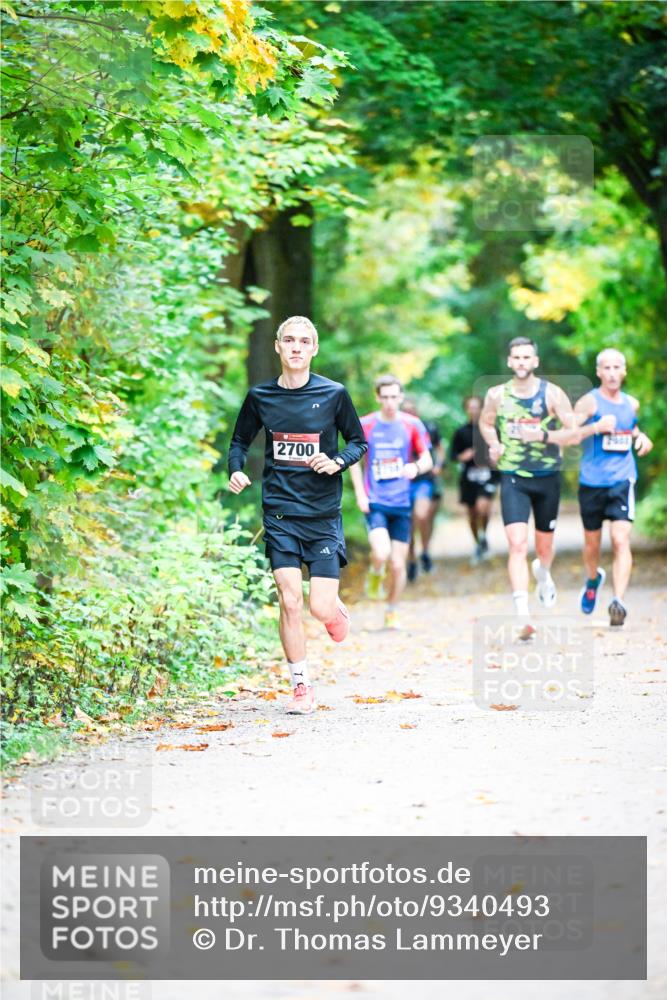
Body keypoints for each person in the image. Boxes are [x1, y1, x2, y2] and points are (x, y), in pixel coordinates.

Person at [227, 316, 367, 714]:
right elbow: (239, 441)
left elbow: (358, 442)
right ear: (277, 346)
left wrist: (337, 461)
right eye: (289, 340)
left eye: (304, 341)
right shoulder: (261, 396)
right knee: (289, 600)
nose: (296, 347)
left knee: (318, 607)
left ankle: (333, 609)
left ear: (314, 348)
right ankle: (301, 685)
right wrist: (236, 469)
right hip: (280, 513)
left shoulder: (334, 393)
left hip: (322, 514)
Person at [479, 338, 581, 640]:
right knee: (517, 544)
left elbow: (574, 433)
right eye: (517, 357)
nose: (522, 362)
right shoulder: (497, 394)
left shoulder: (552, 394)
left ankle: (543, 574)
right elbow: (486, 423)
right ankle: (522, 615)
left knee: (544, 548)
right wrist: (494, 444)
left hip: (547, 477)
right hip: (513, 477)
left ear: (535, 361)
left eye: (527, 357)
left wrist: (543, 435)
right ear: (509, 362)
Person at [574, 348, 653, 627]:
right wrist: (595, 428)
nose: (611, 373)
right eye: (606, 368)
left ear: (624, 371)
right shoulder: (588, 402)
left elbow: (631, 428)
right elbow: (569, 434)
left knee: (620, 540)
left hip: (622, 479)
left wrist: (641, 437)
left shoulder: (632, 404)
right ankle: (592, 579)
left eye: (616, 367)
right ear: (598, 372)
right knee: (592, 544)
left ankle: (618, 601)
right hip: (592, 481)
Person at [350, 375, 433, 629]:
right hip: (375, 500)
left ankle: (392, 609)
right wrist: (360, 494)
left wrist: (415, 468)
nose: (389, 402)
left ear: (401, 397)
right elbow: (353, 461)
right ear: (378, 397)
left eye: (394, 397)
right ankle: (376, 572)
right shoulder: (366, 424)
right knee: (381, 552)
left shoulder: (412, 424)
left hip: (401, 502)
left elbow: (427, 459)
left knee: (398, 564)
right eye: (384, 397)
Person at [450, 395, 500, 565]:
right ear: (466, 410)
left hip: (488, 476)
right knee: (472, 513)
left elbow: (501, 450)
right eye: (470, 407)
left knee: (483, 507)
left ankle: (483, 535)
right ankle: (478, 543)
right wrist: (463, 456)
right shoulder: (460, 432)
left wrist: (495, 457)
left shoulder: (491, 430)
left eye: (476, 407)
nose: (473, 411)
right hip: (469, 477)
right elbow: (453, 455)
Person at [402, 399, 445, 581]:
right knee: (408, 523)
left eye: (412, 409)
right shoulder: (396, 428)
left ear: (417, 411)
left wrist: (438, 465)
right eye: (406, 410)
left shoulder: (428, 428)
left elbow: (440, 449)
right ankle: (411, 558)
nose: (409, 413)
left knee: (422, 515)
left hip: (424, 479)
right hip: (402, 482)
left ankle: (425, 551)